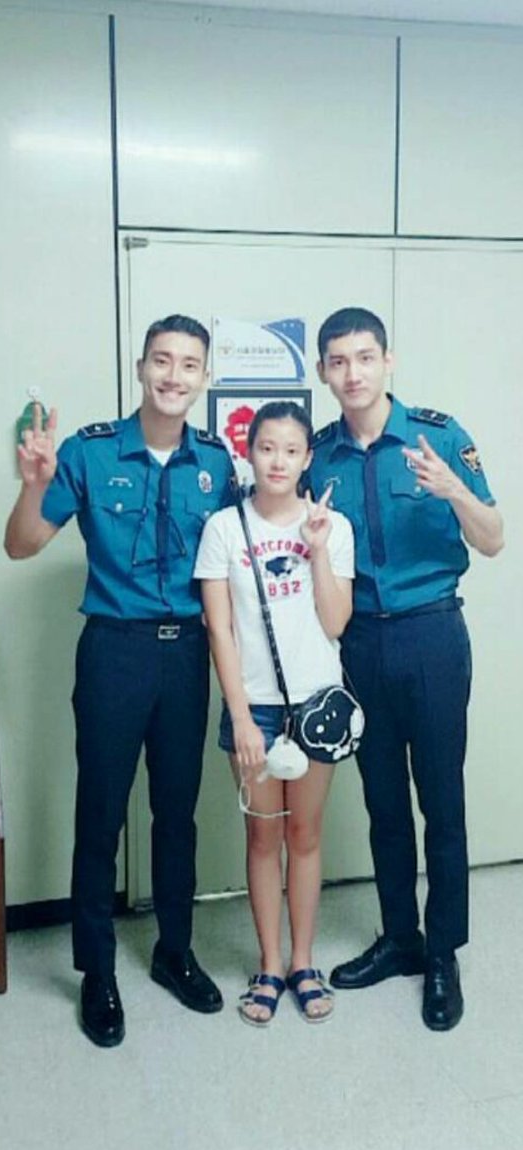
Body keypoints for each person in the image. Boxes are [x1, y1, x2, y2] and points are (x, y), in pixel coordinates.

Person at [4, 314, 236, 1047]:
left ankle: (175, 951)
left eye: (189, 364)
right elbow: (21, 545)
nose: (174, 376)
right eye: (161, 361)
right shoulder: (89, 451)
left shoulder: (218, 464)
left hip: (187, 654)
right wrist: (34, 486)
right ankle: (97, 971)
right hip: (114, 651)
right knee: (100, 814)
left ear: (204, 378)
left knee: (177, 814)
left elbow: (235, 568)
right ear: (140, 368)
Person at [309, 306, 504, 1032]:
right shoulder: (318, 455)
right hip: (359, 642)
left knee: (441, 802)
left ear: (387, 361)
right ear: (323, 372)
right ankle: (400, 938)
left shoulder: (438, 436)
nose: (352, 373)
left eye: (365, 357)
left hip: (431, 636)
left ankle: (442, 952)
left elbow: (493, 539)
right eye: (338, 361)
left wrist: (453, 490)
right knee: (383, 803)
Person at [194, 401, 354, 1025]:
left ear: (308, 457)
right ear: (249, 453)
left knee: (305, 835)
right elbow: (220, 629)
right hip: (254, 708)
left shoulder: (332, 526)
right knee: (263, 838)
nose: (278, 461)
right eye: (266, 448)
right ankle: (268, 965)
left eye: (291, 450)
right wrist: (238, 716)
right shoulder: (224, 529)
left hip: (317, 705)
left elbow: (335, 623)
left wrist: (317, 549)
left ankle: (303, 963)